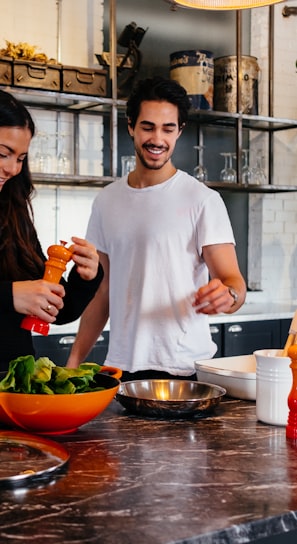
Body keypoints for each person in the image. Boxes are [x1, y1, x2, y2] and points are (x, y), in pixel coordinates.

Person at [67, 76, 246, 380]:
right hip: (121, 368)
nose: (157, 139)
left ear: (180, 131)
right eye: (148, 127)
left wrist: (228, 296)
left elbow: (234, 284)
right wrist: (73, 363)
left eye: (168, 128)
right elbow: (102, 291)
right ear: (131, 127)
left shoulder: (203, 200)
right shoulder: (107, 200)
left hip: (185, 368)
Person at [0, 89, 103, 371]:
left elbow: (58, 311)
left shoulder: (13, 214)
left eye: (21, 158)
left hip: (15, 389)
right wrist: (10, 296)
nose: (12, 169)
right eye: (3, 154)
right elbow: (14, 295)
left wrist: (86, 276)